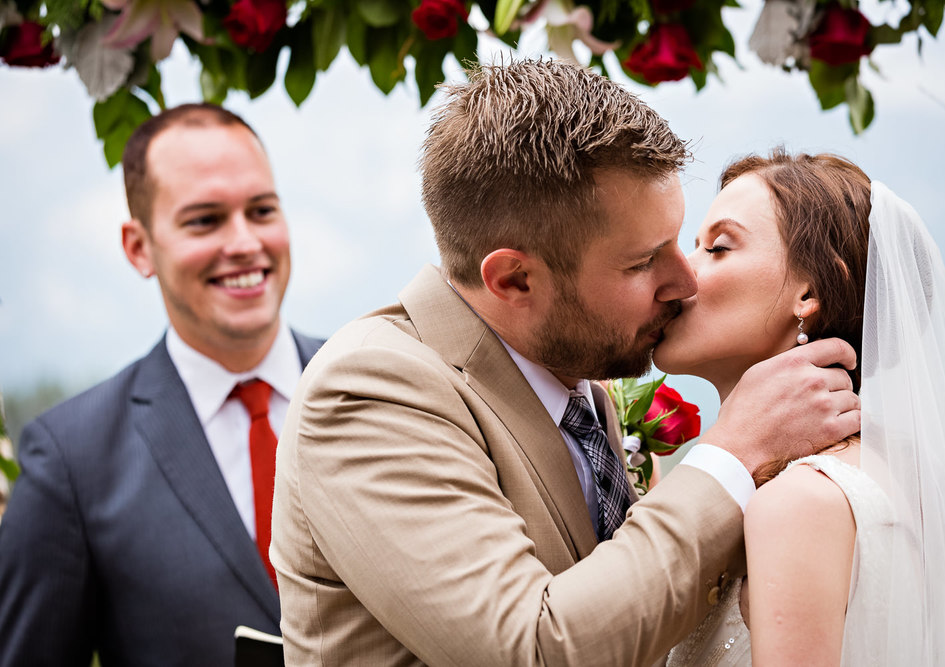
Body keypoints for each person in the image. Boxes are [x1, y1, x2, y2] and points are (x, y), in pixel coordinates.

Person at [271, 60, 860, 666]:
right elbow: (532, 649)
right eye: (640, 263)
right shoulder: (372, 390)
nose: (685, 280)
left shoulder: (577, 386)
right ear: (514, 279)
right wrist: (731, 456)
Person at [0, 103, 325, 667]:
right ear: (138, 247)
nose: (245, 241)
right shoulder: (71, 461)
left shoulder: (384, 389)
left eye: (262, 210)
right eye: (205, 220)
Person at [659, 149, 945, 666]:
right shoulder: (895, 477)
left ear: (811, 292)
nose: (683, 269)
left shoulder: (799, 503)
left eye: (718, 247)